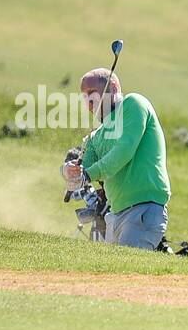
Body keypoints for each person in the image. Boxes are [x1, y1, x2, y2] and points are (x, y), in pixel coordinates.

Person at [63, 67, 171, 249]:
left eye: (92, 93)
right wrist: (71, 172)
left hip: (143, 210)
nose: (88, 101)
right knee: (111, 275)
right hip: (115, 215)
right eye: (84, 96)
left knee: (128, 275)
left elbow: (123, 151)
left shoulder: (134, 104)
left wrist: (88, 174)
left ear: (112, 89)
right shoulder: (95, 136)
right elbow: (83, 171)